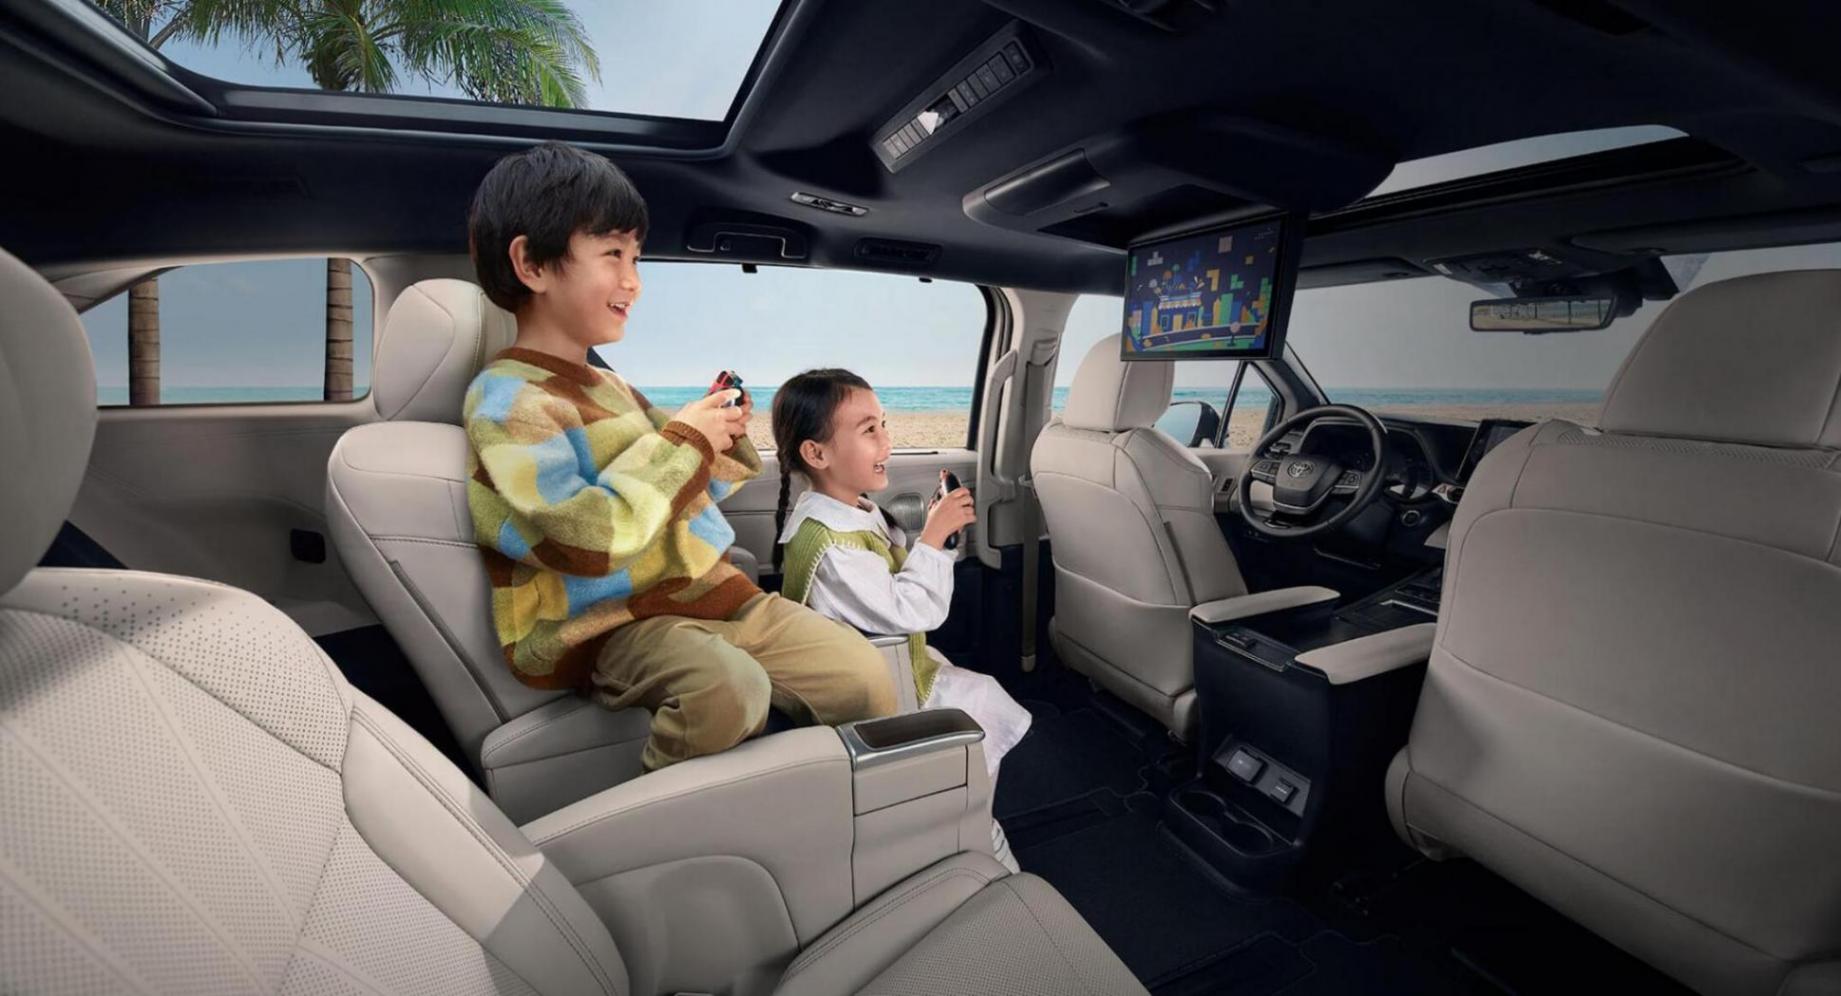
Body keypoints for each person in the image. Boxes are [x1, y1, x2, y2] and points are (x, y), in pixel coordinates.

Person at [462, 143, 896, 772]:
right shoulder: (508, 402)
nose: (633, 280)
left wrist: (718, 435)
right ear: (532, 264)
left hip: (706, 595)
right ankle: (659, 810)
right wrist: (687, 441)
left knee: (862, 674)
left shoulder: (613, 388)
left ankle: (822, 789)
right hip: (613, 621)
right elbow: (587, 540)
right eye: (612, 254)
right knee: (727, 690)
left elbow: (677, 491)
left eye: (636, 258)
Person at [771, 370, 1034, 866]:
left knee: (970, 687)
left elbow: (889, 587)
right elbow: (914, 610)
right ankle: (975, 824)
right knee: (982, 701)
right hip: (875, 696)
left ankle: (969, 808)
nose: (886, 440)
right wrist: (932, 540)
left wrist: (934, 539)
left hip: (887, 660)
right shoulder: (834, 546)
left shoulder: (844, 511)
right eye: (869, 429)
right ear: (817, 454)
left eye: (885, 424)